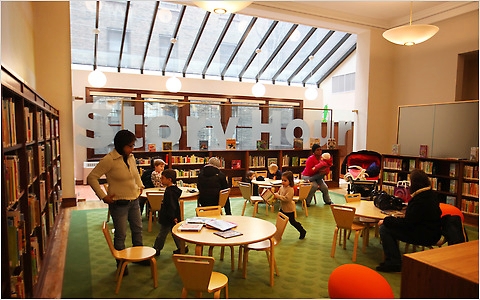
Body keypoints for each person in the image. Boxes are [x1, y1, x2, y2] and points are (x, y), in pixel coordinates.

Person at [87, 129, 146, 274]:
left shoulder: (130, 157)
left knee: (138, 230)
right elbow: (92, 177)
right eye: (130, 146)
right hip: (119, 203)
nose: (132, 149)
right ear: (120, 145)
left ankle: (139, 258)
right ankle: (121, 264)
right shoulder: (109, 159)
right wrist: (103, 196)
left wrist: (140, 185)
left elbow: (135, 173)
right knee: (121, 235)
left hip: (134, 200)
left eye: (133, 145)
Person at [376, 169, 442, 272]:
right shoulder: (431, 195)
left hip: (424, 235)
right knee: (389, 225)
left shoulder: (420, 200)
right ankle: (394, 260)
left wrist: (387, 220)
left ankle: (394, 262)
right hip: (433, 231)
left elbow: (408, 224)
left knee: (385, 229)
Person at [152, 169, 187, 256]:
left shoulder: (169, 192)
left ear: (169, 179)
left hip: (168, 216)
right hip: (173, 215)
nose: (161, 180)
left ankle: (157, 248)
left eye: (163, 178)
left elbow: (171, 205)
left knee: (162, 233)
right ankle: (182, 247)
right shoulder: (174, 190)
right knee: (174, 232)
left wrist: (172, 217)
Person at [273, 171, 307, 239]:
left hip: (289, 210)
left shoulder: (290, 189)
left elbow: (287, 199)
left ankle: (302, 231)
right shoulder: (282, 187)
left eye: (285, 180)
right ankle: (277, 235)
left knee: (293, 222)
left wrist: (278, 196)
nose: (283, 182)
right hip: (282, 208)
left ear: (290, 181)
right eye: (282, 180)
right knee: (280, 222)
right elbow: (278, 193)